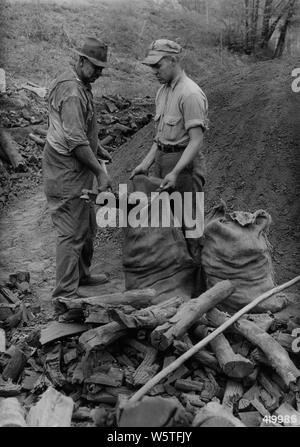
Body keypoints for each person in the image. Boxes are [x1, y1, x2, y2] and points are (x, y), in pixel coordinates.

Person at [43, 37, 112, 300]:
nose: (99, 73)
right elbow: (74, 141)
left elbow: (78, 130)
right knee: (71, 231)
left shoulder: (79, 82)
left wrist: (96, 148)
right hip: (66, 169)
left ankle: (82, 275)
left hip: (76, 164)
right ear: (81, 61)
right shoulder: (72, 90)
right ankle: (65, 293)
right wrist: (99, 172)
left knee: (86, 224)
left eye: (102, 69)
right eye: (95, 67)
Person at [131, 39, 209, 266]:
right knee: (167, 223)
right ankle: (175, 280)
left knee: (190, 226)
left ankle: (197, 287)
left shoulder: (191, 93)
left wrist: (175, 172)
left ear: (174, 60)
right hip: (162, 161)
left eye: (158, 66)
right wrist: (145, 163)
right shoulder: (162, 92)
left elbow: (196, 142)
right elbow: (159, 137)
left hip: (184, 166)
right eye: (152, 67)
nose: (154, 72)